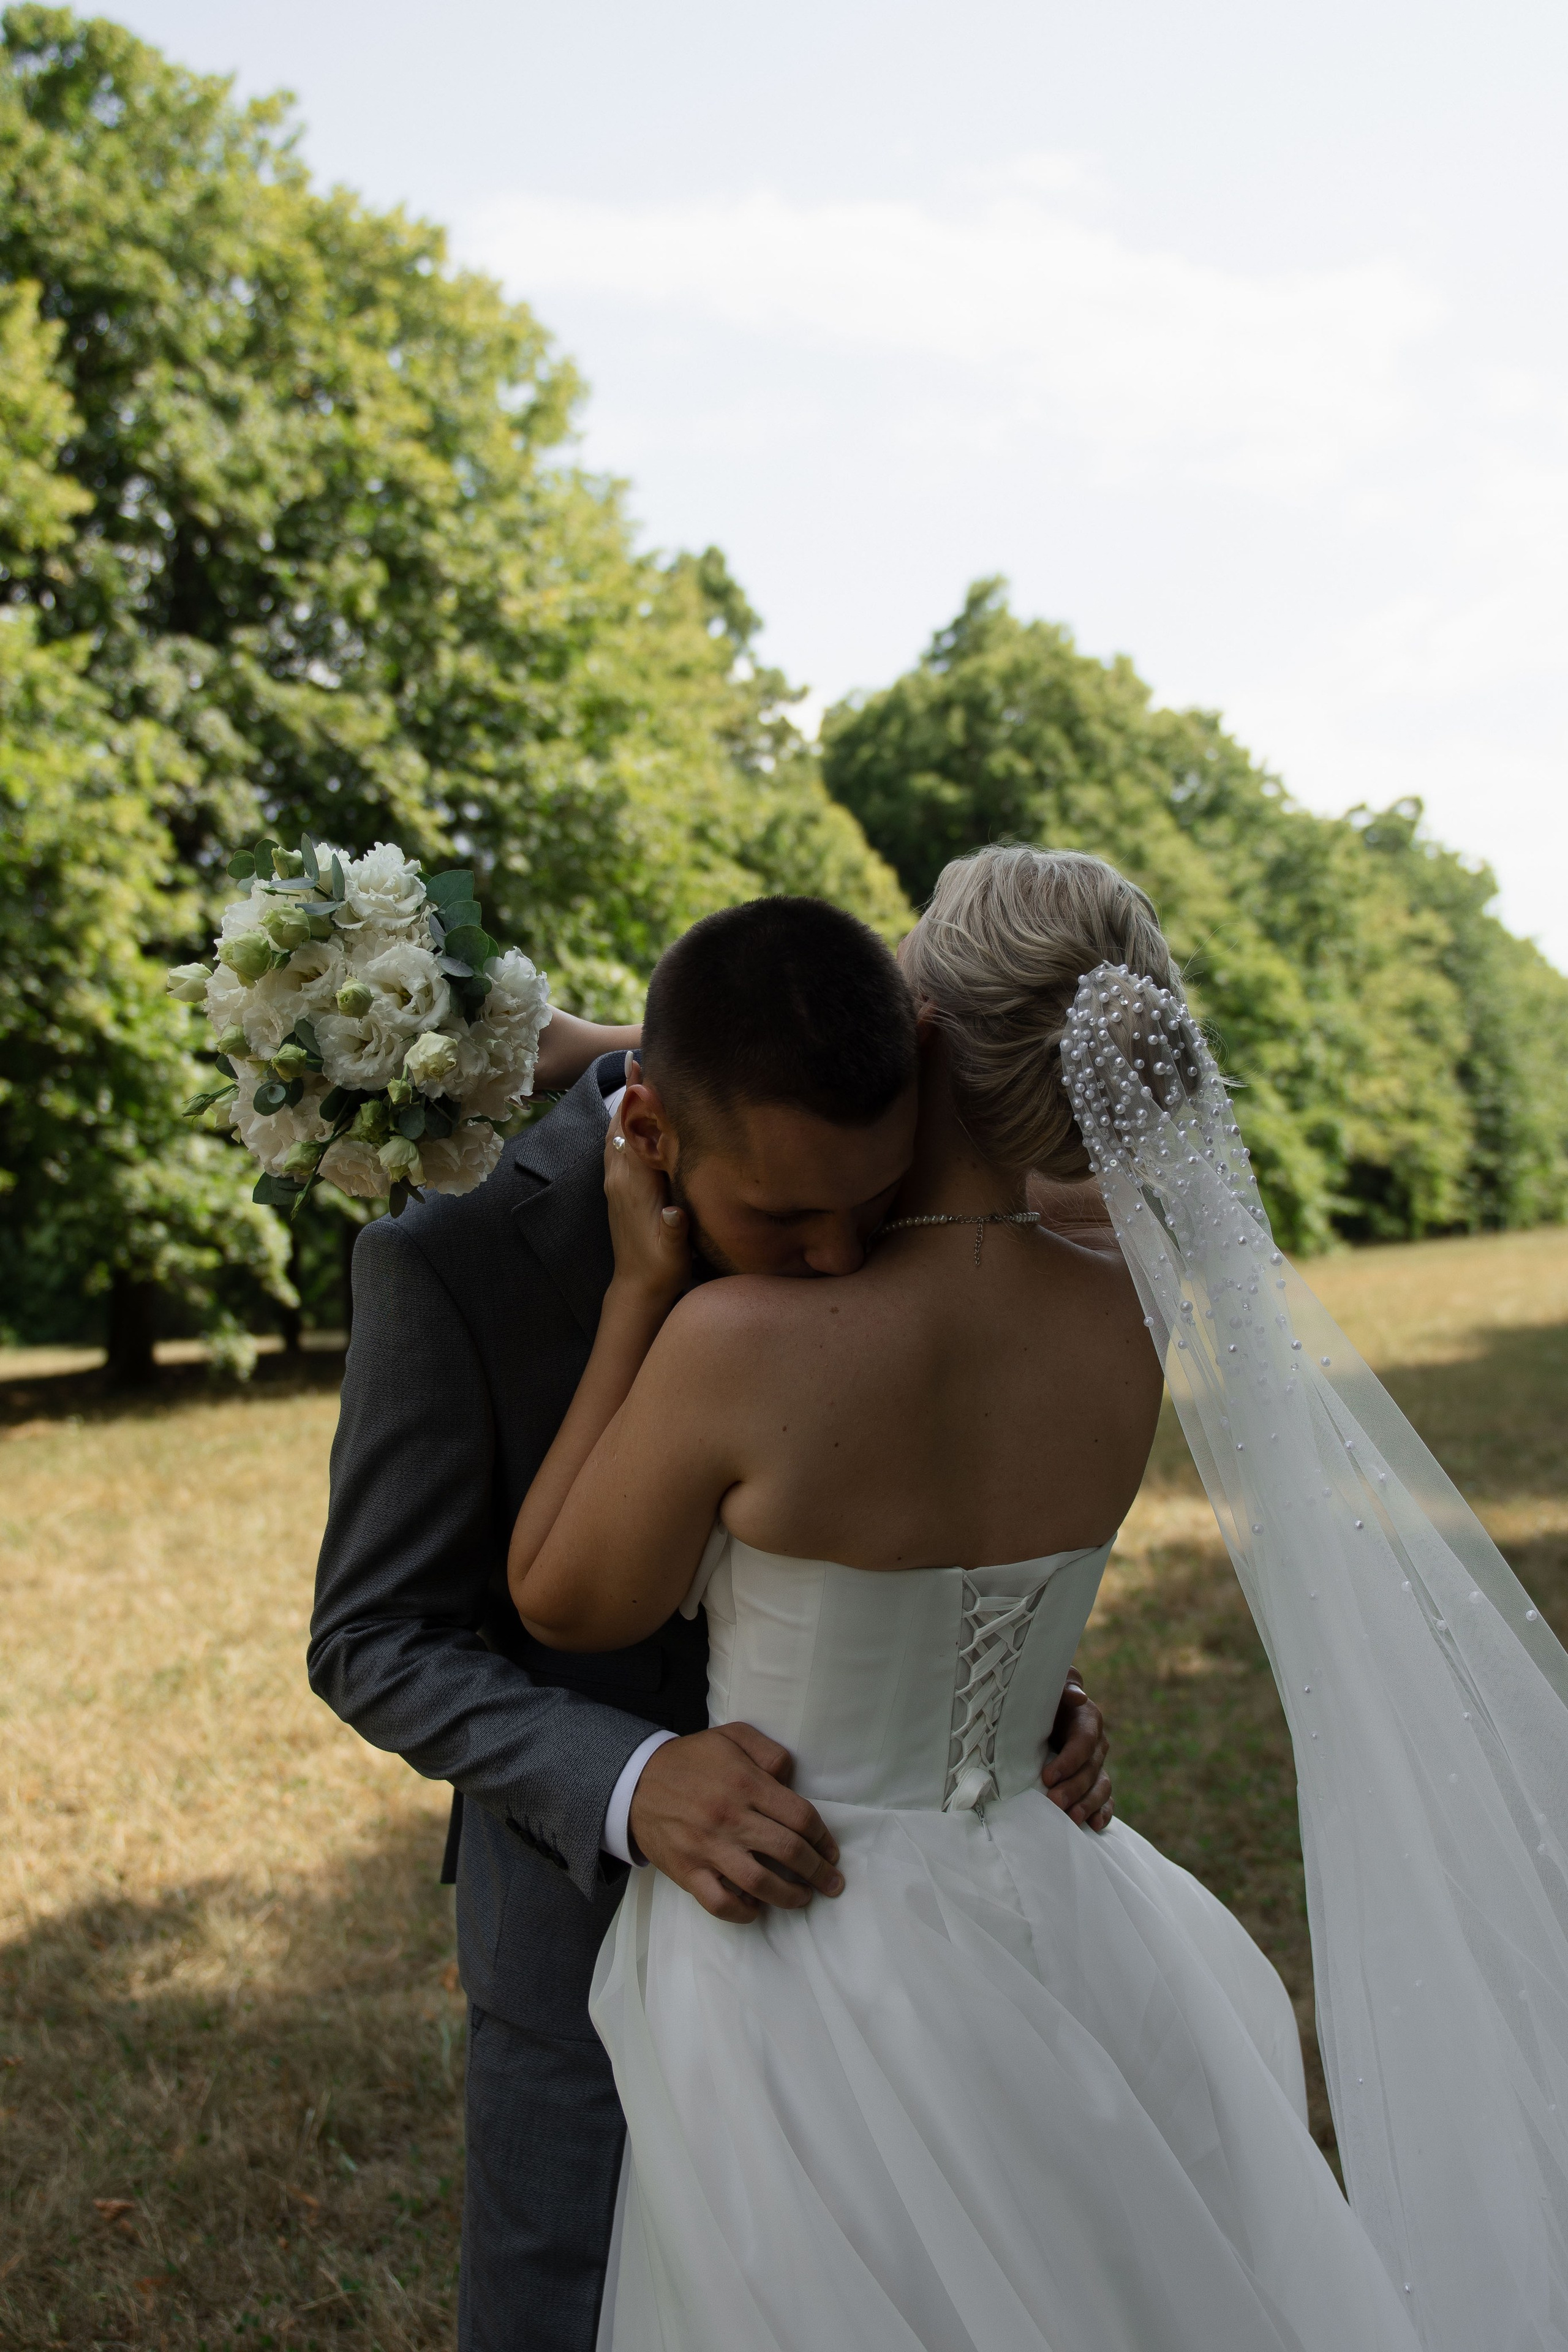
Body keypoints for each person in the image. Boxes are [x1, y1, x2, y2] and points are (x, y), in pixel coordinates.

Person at [510, 844, 1568, 2351]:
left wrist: (633, 1297)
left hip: (805, 1938)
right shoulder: (1128, 1299)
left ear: (918, 1028)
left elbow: (564, 1600)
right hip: (1054, 1892)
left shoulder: (739, 1341)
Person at [307, 918, 1116, 2352]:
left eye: (870, 1205)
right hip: (578, 1936)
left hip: (891, 1963)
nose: (838, 1258)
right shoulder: (448, 1260)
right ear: (656, 1136)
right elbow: (376, 1636)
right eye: (787, 1222)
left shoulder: (848, 1135)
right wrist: (626, 1778)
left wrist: (995, 1693)